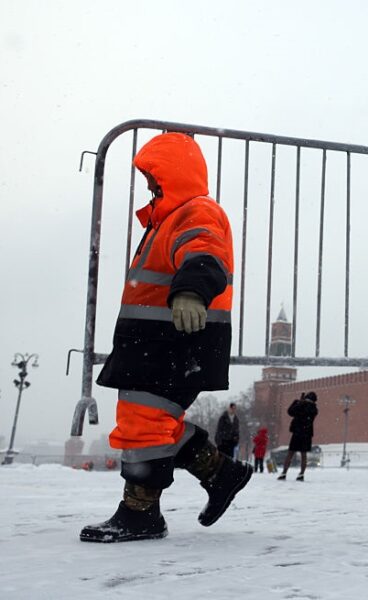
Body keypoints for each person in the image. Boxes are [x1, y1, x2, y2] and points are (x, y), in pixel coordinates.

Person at [81, 132, 251, 543]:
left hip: (174, 341)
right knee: (155, 421)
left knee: (144, 424)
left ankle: (140, 513)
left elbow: (205, 251)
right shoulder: (165, 219)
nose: (149, 186)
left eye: (154, 177)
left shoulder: (196, 211)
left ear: (173, 175)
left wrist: (192, 291)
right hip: (157, 342)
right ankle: (220, 472)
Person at [277, 392, 318, 481]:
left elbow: (291, 412)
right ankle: (301, 474)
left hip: (297, 433)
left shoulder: (304, 405)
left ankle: (284, 472)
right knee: (303, 455)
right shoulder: (314, 408)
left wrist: (300, 403)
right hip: (306, 434)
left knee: (290, 453)